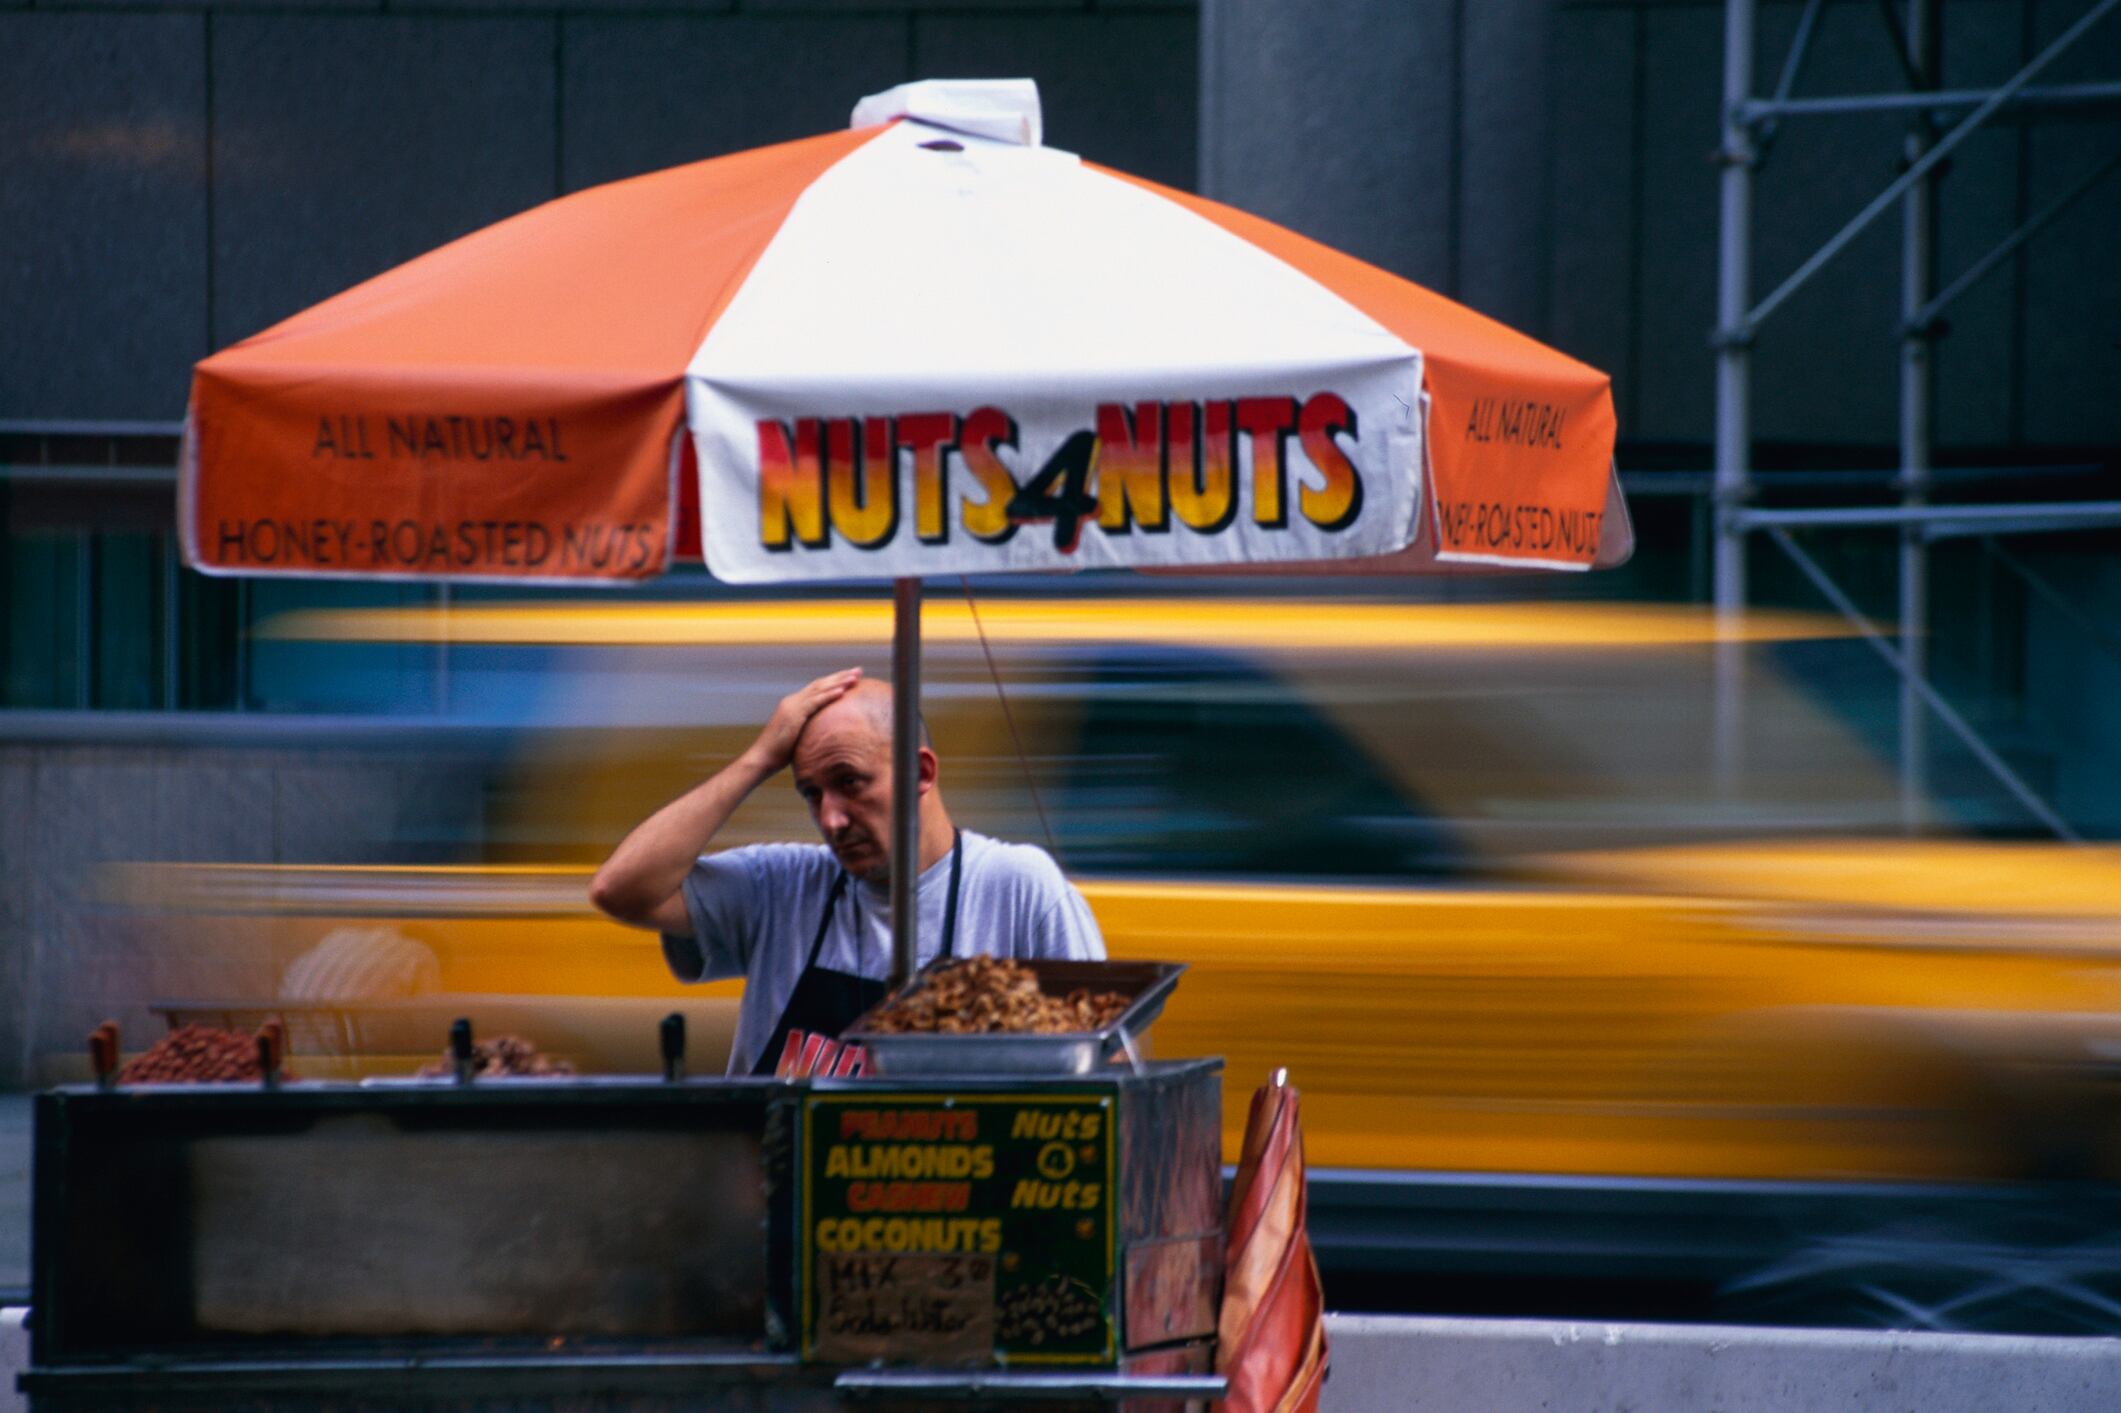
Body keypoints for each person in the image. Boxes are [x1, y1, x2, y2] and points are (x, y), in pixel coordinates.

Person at [590, 667, 1105, 1074]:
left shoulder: (1016, 889)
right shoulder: (781, 886)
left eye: (850, 782)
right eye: (811, 793)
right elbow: (621, 890)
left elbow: (1108, 1066)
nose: (831, 819)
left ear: (921, 772)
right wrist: (760, 758)